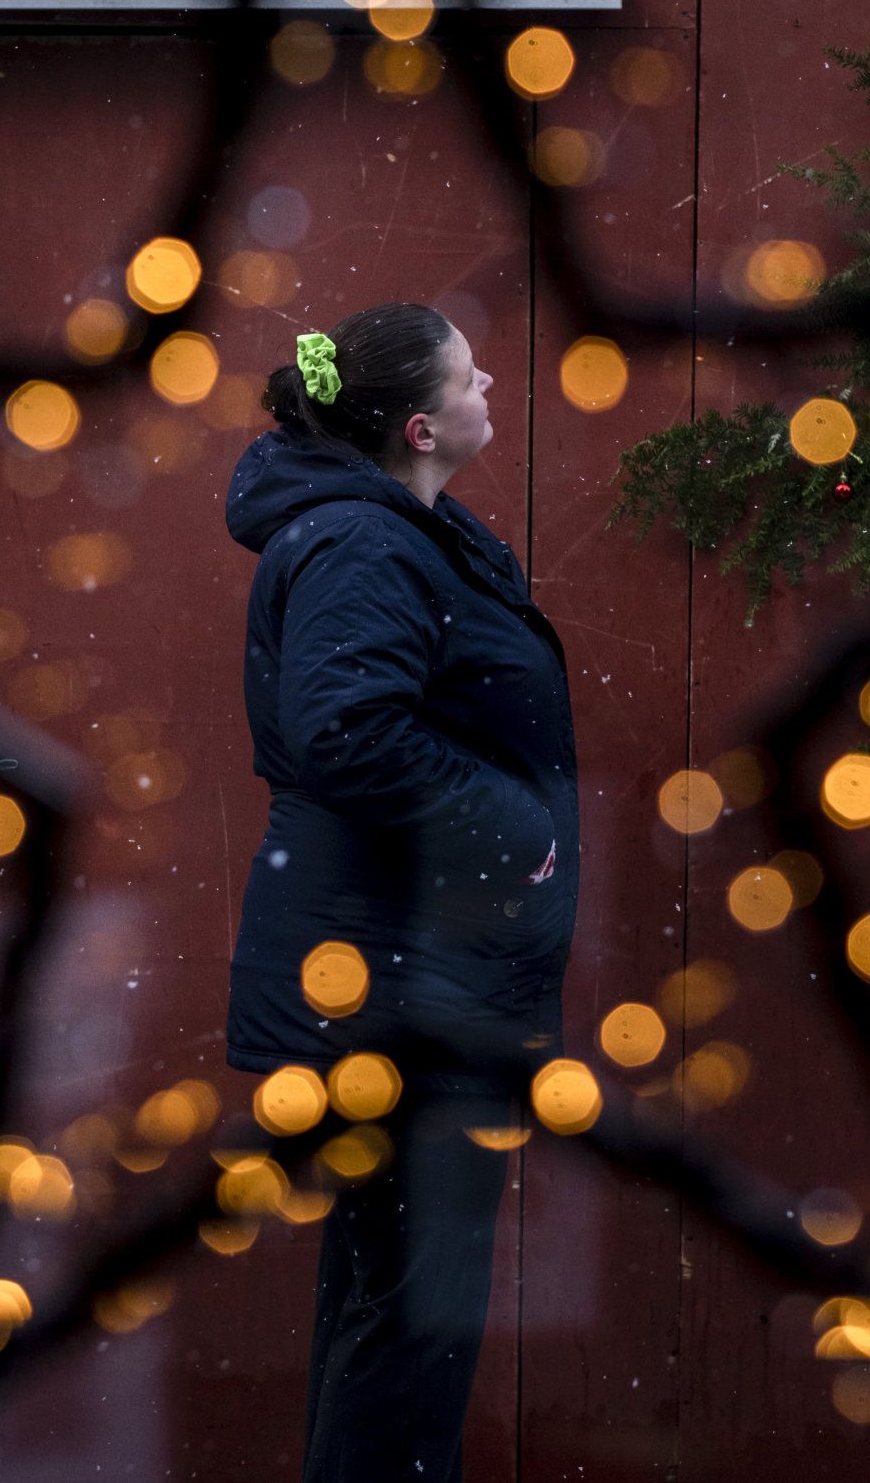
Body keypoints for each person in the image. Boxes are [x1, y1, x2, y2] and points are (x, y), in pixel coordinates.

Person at [222, 303, 579, 1483]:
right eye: (476, 379)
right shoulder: (366, 545)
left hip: (408, 978)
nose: (495, 393)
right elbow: (347, 728)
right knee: (412, 1317)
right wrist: (515, 831)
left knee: (396, 1306)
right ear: (422, 424)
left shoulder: (403, 528)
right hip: (390, 990)